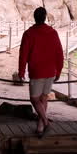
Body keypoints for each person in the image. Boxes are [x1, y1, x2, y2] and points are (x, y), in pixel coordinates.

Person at [17, 7, 64, 136]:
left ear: (34, 17)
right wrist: (58, 70)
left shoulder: (29, 34)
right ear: (45, 17)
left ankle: (45, 122)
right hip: (50, 71)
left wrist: (21, 72)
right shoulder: (53, 32)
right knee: (43, 98)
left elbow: (23, 55)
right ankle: (40, 128)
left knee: (34, 99)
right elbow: (59, 53)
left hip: (37, 71)